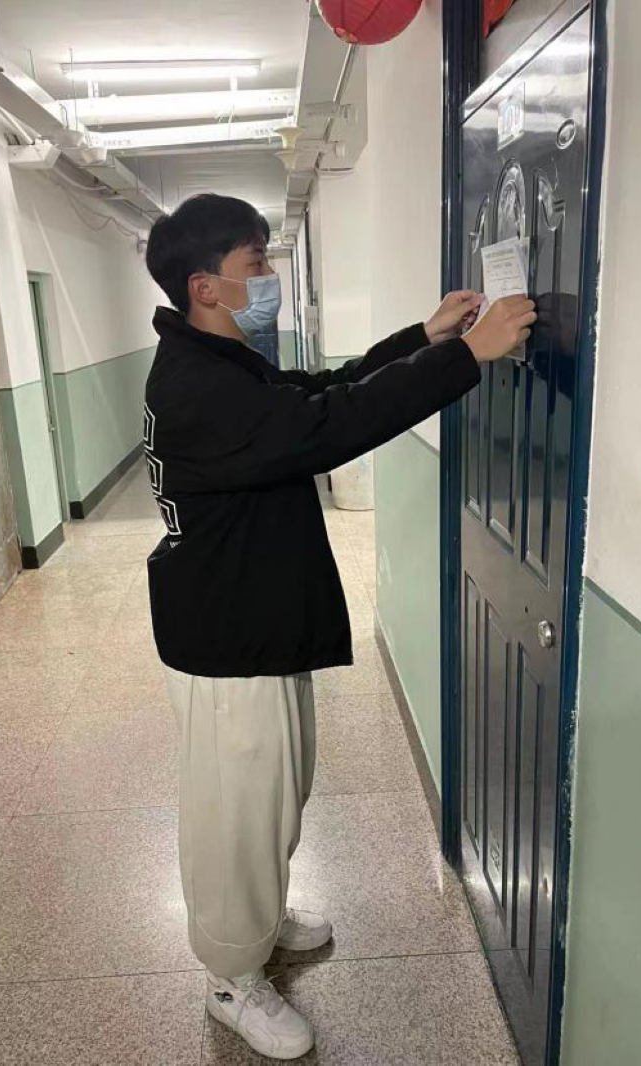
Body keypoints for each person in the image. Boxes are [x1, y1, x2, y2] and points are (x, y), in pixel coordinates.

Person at [143, 193, 535, 1060]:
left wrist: (423, 338)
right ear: (205, 286)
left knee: (276, 793)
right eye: (255, 264)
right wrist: (465, 356)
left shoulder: (223, 361)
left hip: (252, 620)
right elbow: (327, 427)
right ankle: (229, 974)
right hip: (225, 638)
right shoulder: (198, 387)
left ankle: (260, 918)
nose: (269, 277)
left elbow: (319, 391)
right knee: (236, 817)